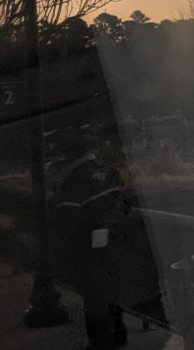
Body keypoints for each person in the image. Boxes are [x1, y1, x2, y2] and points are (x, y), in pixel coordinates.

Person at [54, 133, 129, 349]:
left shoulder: (73, 179)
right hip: (116, 241)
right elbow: (125, 204)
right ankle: (119, 332)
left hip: (90, 247)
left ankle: (101, 343)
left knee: (94, 298)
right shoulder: (108, 171)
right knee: (112, 290)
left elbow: (68, 218)